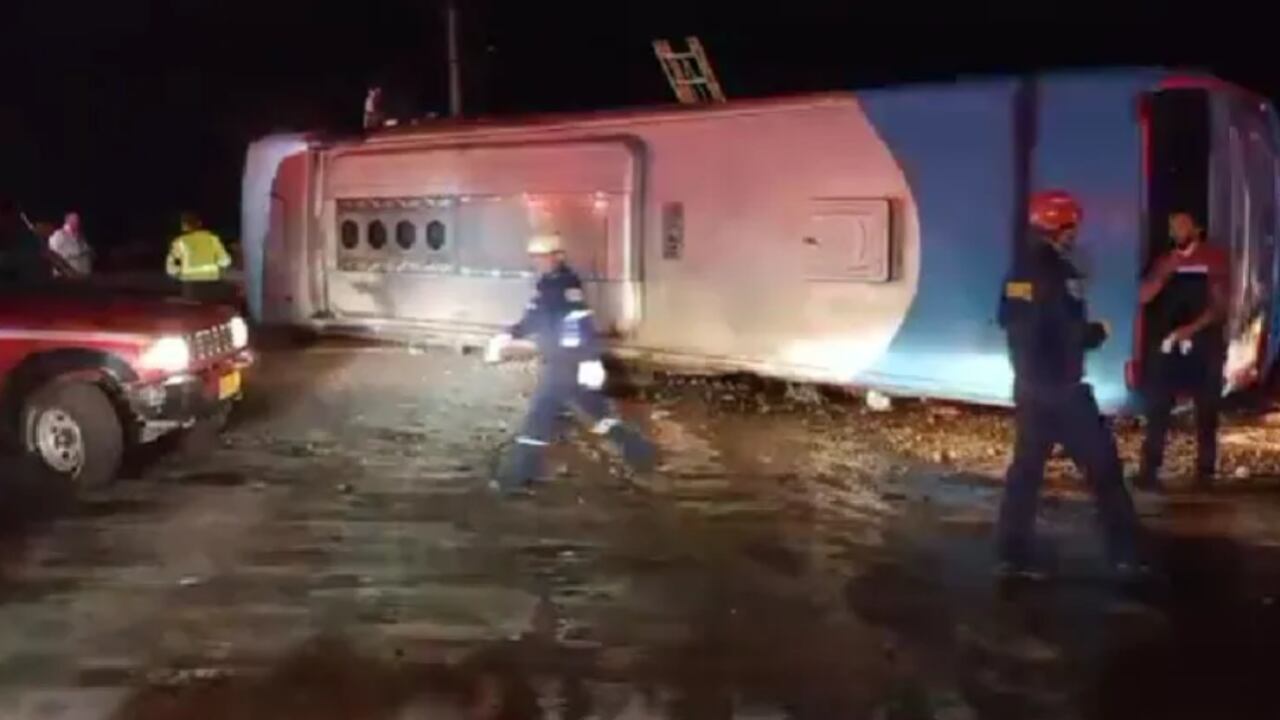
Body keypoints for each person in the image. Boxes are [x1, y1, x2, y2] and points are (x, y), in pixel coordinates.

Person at [994, 189, 1140, 578]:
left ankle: (1011, 557)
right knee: (1105, 472)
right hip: (1064, 392)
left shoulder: (1017, 273)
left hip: (1028, 388)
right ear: (1059, 227)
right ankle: (1127, 556)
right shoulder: (1061, 273)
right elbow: (1069, 331)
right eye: (1072, 226)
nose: (1075, 234)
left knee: (1025, 474)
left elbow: (1009, 319)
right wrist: (1098, 331)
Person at [486, 233, 656, 494]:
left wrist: (588, 359)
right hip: (565, 362)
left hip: (565, 364)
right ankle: (643, 454)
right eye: (536, 257)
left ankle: (517, 479)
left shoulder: (565, 283)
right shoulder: (547, 283)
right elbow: (534, 317)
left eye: (544, 257)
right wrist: (510, 332)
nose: (539, 262)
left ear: (557, 257)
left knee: (538, 419)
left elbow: (577, 322)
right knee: (599, 416)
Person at [1136, 212, 1229, 491]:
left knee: (1206, 409)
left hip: (1204, 343)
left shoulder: (1214, 259)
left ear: (1197, 230)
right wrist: (1164, 273)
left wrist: (1191, 329)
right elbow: (1144, 296)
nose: (1176, 231)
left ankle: (1205, 472)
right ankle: (1149, 470)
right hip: (1168, 344)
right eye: (1172, 226)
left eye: (1182, 226)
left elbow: (1220, 307)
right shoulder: (1165, 261)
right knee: (1158, 407)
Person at [166, 212, 232, 301]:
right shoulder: (212, 239)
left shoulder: (180, 241)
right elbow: (225, 261)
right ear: (199, 223)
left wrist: (177, 273)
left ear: (184, 226)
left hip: (190, 284)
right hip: (211, 280)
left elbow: (171, 266)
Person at [47, 211, 93, 276]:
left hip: (83, 277)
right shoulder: (57, 235)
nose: (78, 222)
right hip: (65, 278)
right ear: (68, 221)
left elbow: (87, 251)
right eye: (75, 220)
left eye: (78, 220)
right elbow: (53, 255)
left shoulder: (81, 236)